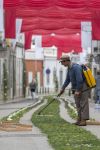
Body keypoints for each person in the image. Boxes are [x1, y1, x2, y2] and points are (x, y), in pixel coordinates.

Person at [57, 55, 90, 126]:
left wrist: (78, 90)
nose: (62, 64)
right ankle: (79, 119)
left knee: (83, 104)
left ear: (66, 61)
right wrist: (62, 88)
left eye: (62, 62)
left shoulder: (76, 67)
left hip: (82, 87)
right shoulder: (69, 68)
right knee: (78, 104)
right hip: (76, 88)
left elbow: (80, 80)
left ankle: (83, 121)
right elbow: (67, 80)